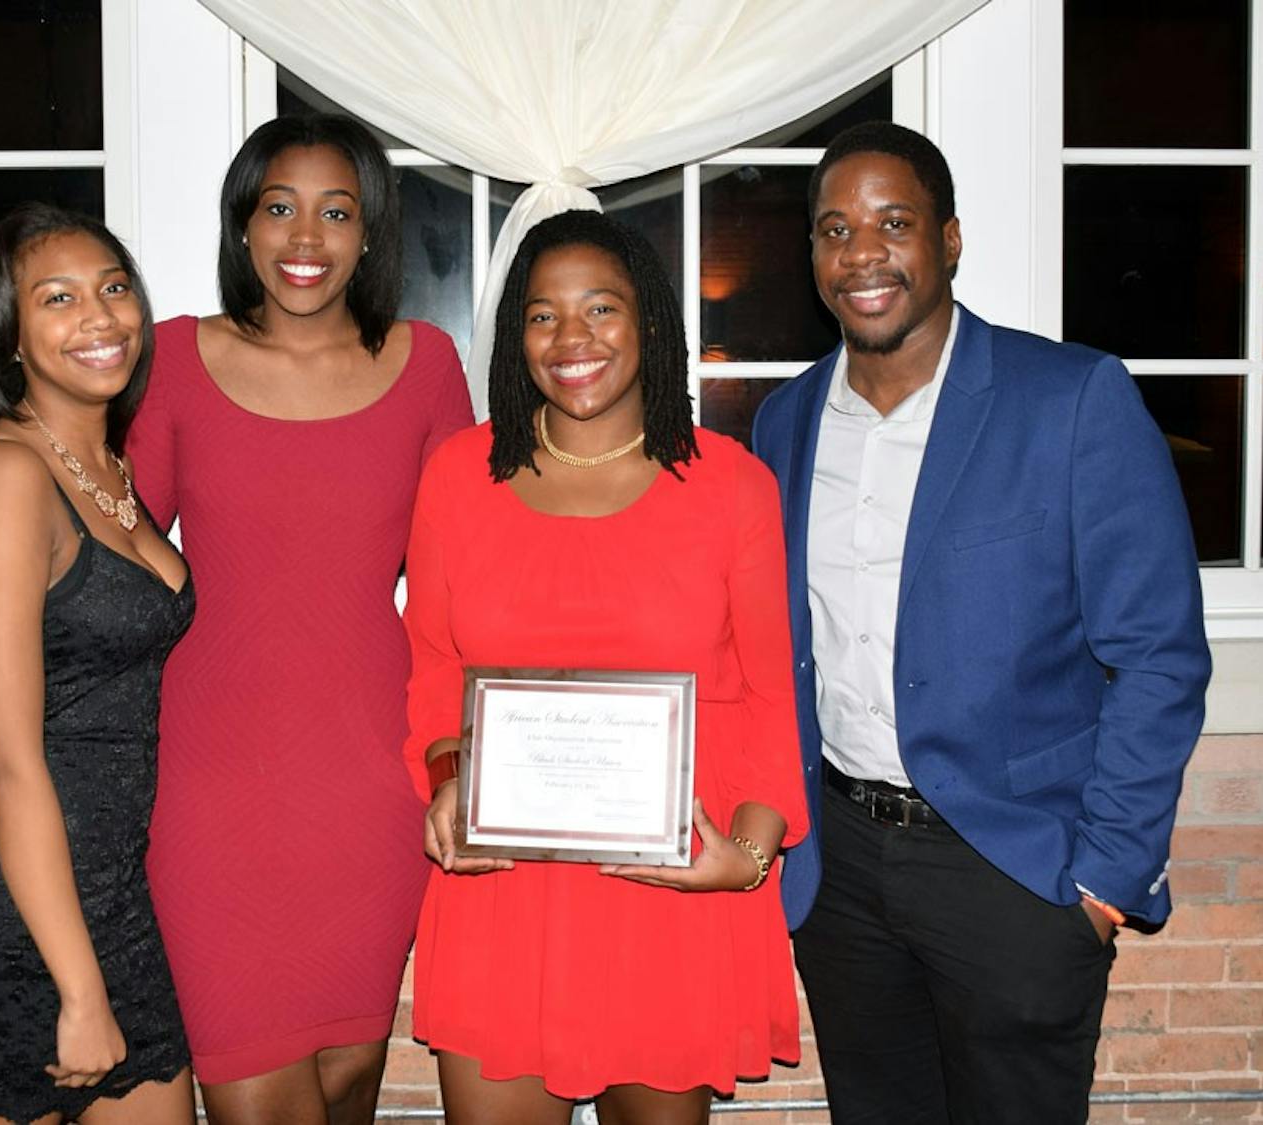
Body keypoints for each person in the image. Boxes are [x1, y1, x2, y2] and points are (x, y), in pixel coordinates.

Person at [0, 116, 473, 1125]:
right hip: (205, 794)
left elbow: (465, 584)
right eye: (278, 207)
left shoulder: (429, 365)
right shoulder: (175, 358)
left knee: (348, 1080)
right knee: (253, 1085)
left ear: (370, 232)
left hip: (372, 789)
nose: (305, 236)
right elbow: (105, 556)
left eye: (336, 211)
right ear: (242, 226)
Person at [750, 121, 1211, 1124]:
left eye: (894, 223)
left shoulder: (1071, 399)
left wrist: (1102, 883)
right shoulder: (783, 424)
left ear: (949, 239)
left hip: (1016, 873)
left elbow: (1159, 656)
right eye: (835, 229)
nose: (862, 254)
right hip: (844, 872)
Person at [405, 209, 807, 1125]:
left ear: (649, 321)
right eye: (542, 315)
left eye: (600, 308)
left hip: (670, 893)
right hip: (502, 889)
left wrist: (746, 858)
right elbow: (432, 665)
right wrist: (448, 783)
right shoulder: (460, 475)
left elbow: (772, 694)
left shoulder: (731, 485)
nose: (571, 338)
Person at [0, 203, 195, 1124]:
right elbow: (6, 757)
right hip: (6, 901)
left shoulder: (108, 468)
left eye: (114, 288)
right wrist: (80, 988)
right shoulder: (7, 475)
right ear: (10, 336)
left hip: (111, 888)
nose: (99, 316)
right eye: (58, 298)